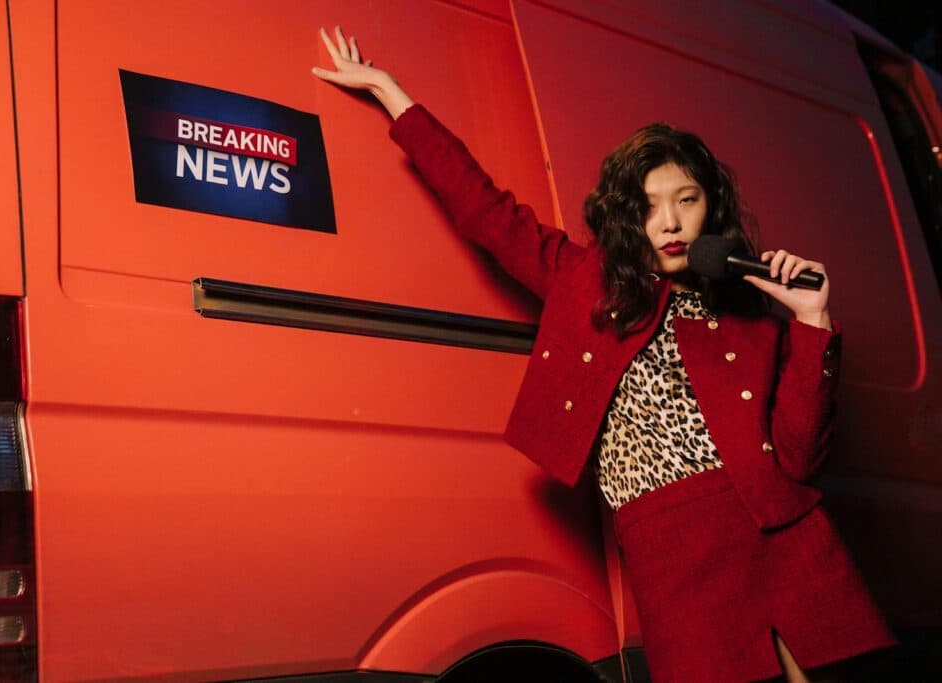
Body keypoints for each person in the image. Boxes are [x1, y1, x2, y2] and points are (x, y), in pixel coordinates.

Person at [312, 26, 896, 683]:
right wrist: (391, 93)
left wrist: (812, 320)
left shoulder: (749, 317)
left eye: (686, 200)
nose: (670, 223)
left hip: (781, 536)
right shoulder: (587, 285)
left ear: (711, 207)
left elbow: (799, 460)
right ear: (625, 217)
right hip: (670, 547)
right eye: (649, 207)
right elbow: (485, 211)